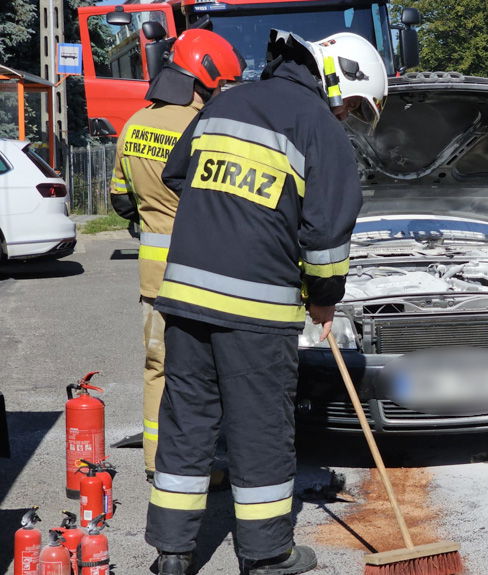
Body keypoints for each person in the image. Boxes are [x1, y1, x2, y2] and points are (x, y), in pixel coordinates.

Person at [144, 30, 387, 575]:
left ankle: (172, 553)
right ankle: (266, 552)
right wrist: (324, 298)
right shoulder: (319, 128)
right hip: (255, 310)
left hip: (184, 298)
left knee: (187, 421)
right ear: (337, 81)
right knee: (260, 429)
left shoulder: (226, 101)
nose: (348, 115)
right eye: (353, 104)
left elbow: (176, 173)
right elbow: (326, 242)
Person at [109, 29, 244, 480]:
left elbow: (121, 200)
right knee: (208, 375)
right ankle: (202, 467)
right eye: (219, 85)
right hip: (204, 270)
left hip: (153, 276)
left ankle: (156, 465)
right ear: (203, 81)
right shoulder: (206, 125)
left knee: (158, 369)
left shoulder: (135, 124)